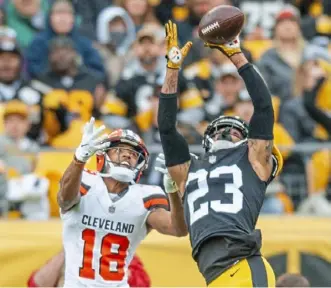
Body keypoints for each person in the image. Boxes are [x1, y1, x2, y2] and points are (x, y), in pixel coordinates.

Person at [156, 20, 283, 287]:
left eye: (236, 131)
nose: (227, 134)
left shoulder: (251, 160)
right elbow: (166, 128)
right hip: (214, 275)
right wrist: (172, 69)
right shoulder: (188, 169)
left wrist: (236, 55)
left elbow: (263, 107)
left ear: (248, 141)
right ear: (205, 140)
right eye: (220, 130)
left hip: (244, 267)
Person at [57, 117, 187, 287]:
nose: (127, 155)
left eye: (134, 154)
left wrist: (173, 191)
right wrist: (79, 159)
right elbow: (64, 200)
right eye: (120, 150)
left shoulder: (145, 196)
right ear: (103, 155)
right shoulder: (85, 181)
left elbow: (178, 229)